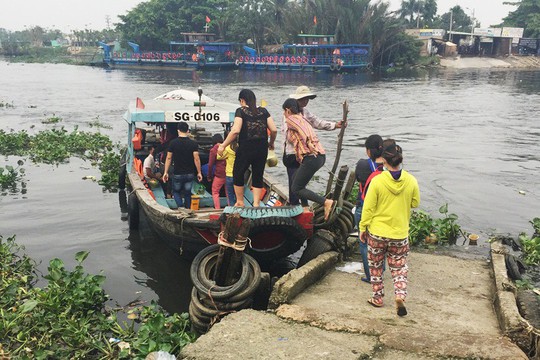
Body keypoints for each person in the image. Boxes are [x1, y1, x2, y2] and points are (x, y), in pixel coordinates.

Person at [359, 139, 420, 316]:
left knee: (376, 267)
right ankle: (400, 294)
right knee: (399, 267)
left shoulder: (378, 181)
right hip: (399, 233)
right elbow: (415, 203)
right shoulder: (411, 180)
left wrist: (363, 228)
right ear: (400, 159)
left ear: (384, 160)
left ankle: (377, 298)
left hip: (377, 232)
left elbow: (368, 208)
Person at [284, 85, 343, 206]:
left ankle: (306, 207)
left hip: (306, 153)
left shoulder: (301, 114)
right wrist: (305, 142)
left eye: (307, 99)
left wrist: (334, 125)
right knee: (295, 184)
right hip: (293, 154)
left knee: (298, 185)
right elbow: (289, 134)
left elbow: (316, 123)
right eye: (303, 99)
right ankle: (297, 206)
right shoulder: (289, 115)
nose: (305, 101)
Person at [218, 89, 277, 207]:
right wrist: (271, 143)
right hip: (261, 148)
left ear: (242, 100)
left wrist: (223, 145)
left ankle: (240, 202)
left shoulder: (241, 111)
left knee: (238, 172)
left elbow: (235, 130)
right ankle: (256, 203)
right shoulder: (264, 111)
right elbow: (274, 129)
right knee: (258, 174)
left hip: (246, 147)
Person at [283, 98, 334, 220]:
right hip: (318, 156)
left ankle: (326, 202)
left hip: (312, 156)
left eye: (284, 112)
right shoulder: (302, 118)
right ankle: (305, 208)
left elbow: (303, 131)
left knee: (296, 188)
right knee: (297, 181)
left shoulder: (291, 118)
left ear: (287, 110)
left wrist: (308, 142)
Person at [354, 135, 384, 283]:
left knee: (364, 241)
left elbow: (358, 179)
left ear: (368, 151)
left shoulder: (362, 165)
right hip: (382, 209)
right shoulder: (388, 167)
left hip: (364, 206)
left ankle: (371, 275)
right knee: (381, 240)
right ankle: (380, 270)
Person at [162, 122, 203, 209]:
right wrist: (199, 172)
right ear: (188, 131)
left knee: (176, 191)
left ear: (178, 130)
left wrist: (165, 172)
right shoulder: (193, 144)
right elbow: (196, 158)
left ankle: (180, 207)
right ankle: (188, 209)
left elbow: (169, 158)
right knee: (187, 193)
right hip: (190, 173)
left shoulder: (173, 143)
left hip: (177, 173)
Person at [207, 134, 227, 209]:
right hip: (228, 172)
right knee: (229, 192)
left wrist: (209, 176)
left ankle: (217, 208)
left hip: (219, 174)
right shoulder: (226, 147)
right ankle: (231, 208)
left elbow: (210, 165)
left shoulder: (213, 150)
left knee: (215, 191)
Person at [217, 136, 238, 206]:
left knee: (230, 195)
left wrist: (220, 148)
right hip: (238, 175)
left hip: (229, 175)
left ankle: (232, 209)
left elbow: (219, 157)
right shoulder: (241, 148)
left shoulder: (228, 149)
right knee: (238, 195)